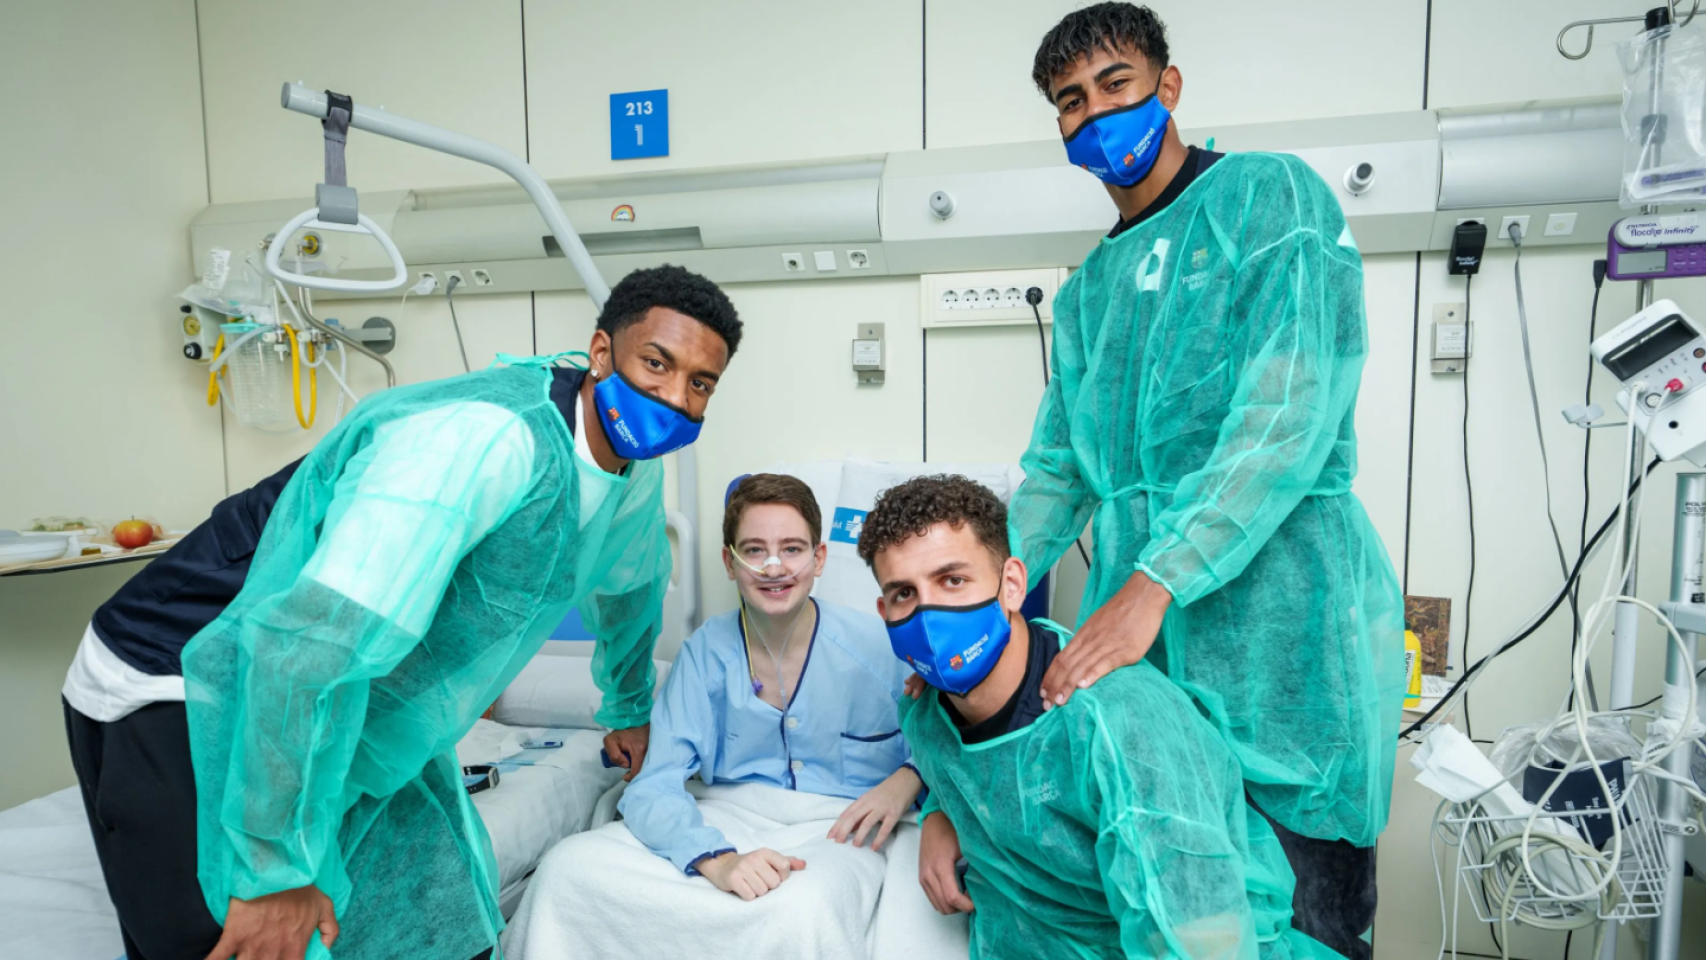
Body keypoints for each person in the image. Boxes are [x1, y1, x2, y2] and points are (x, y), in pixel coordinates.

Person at [59, 264, 742, 960]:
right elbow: (298, 649)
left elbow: (630, 584)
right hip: (183, 671)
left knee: (443, 916)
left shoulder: (632, 469)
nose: (673, 396)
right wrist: (274, 874)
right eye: (656, 363)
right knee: (237, 934)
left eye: (700, 383)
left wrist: (627, 704)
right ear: (602, 354)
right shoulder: (480, 445)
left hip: (349, 692)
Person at [984, 5, 1405, 956]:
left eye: (1116, 86)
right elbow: (1058, 469)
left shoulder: (1271, 203)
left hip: (1282, 645)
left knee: (1308, 917)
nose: (1095, 116)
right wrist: (984, 588)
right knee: (1192, 917)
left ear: (1167, 88)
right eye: (1070, 102)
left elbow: (1284, 422)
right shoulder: (1089, 292)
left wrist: (1155, 584)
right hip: (1150, 665)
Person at [860, 475, 1330, 960]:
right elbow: (974, 776)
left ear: (1012, 585)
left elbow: (1201, 933)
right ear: (884, 610)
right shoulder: (925, 714)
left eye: (952, 580)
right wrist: (940, 812)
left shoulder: (1115, 722)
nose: (930, 616)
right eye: (904, 595)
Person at [503, 474, 931, 959]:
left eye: (792, 548)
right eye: (754, 549)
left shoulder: (882, 647)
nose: (774, 566)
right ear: (730, 562)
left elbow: (945, 745)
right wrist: (715, 858)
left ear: (820, 557)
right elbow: (655, 783)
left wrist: (908, 777)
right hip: (724, 816)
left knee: (799, 910)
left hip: (840, 826)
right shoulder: (705, 654)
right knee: (567, 868)